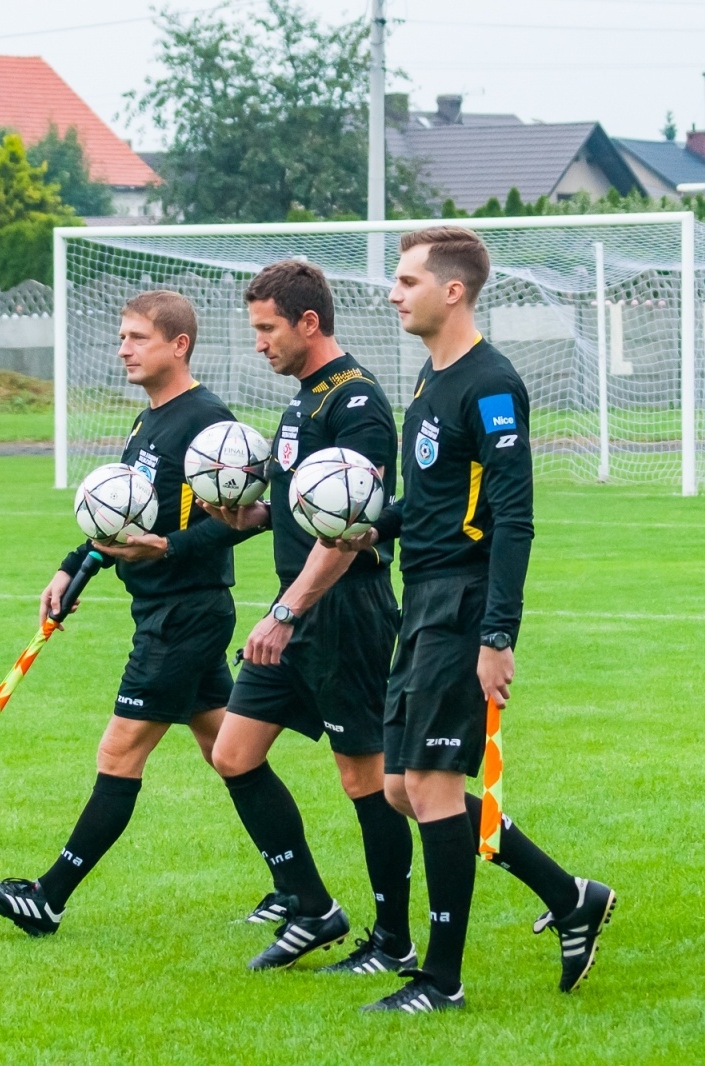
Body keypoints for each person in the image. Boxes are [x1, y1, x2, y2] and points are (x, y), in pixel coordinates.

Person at [336, 227, 615, 1014]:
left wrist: (497, 637)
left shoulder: (492, 384)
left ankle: (442, 980)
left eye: (407, 281)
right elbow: (427, 501)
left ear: (452, 290)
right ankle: (571, 897)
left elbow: (513, 519)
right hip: (421, 599)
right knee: (401, 787)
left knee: (430, 787)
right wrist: (369, 528)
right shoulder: (430, 376)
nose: (394, 293)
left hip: (461, 603)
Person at [0, 290, 261, 935]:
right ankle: (303, 893)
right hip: (162, 609)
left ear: (179, 345)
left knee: (120, 749)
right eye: (122, 337)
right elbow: (123, 516)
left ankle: (47, 897)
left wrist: (170, 549)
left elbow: (240, 519)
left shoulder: (207, 420)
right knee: (228, 753)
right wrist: (74, 564)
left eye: (137, 338)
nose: (123, 349)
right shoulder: (147, 420)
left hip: (185, 614)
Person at [199, 259, 416, 975]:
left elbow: (350, 531)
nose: (259, 343)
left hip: (342, 611)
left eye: (268, 329)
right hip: (294, 609)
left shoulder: (356, 403)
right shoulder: (303, 401)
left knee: (366, 780)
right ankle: (313, 907)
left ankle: (394, 941)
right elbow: (308, 508)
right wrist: (254, 515)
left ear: (309, 322)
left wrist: (287, 610)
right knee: (233, 754)